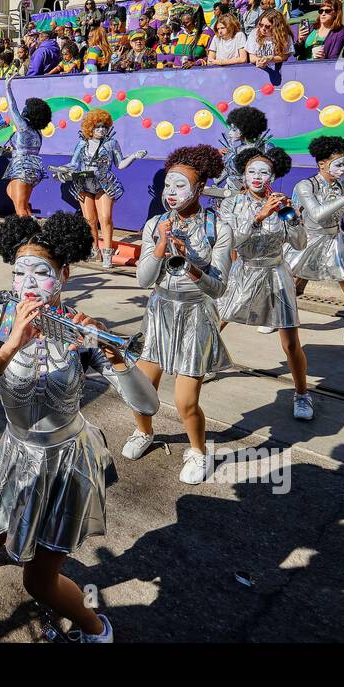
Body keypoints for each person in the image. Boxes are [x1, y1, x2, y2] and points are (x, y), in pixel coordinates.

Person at [0, 213, 158, 643]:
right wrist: (9, 347)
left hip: (69, 461)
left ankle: (96, 628)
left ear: (65, 275)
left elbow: (146, 402)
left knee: (38, 581)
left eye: (42, 273)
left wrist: (112, 354)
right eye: (19, 273)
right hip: (17, 451)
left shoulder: (79, 329)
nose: (29, 283)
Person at [125, 144, 235, 483]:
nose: (171, 194)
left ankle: (199, 452)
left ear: (200, 188)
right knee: (140, 390)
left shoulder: (219, 228)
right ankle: (144, 432)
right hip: (159, 313)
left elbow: (218, 289)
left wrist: (191, 265)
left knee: (185, 401)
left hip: (195, 316)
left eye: (180, 186)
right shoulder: (155, 224)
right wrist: (159, 246)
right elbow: (144, 280)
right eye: (167, 186)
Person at [217, 144, 315, 421]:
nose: (258, 177)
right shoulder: (231, 203)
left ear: (272, 177)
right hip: (243, 271)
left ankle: (302, 394)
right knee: (213, 324)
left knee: (291, 343)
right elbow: (231, 241)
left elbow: (299, 244)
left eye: (264, 172)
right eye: (252, 172)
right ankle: (199, 368)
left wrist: (293, 217)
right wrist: (259, 217)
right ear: (244, 175)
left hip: (276, 275)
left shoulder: (280, 203)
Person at [288, 136, 344, 355]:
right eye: (338, 164)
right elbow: (318, 214)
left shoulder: (343, 187)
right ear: (322, 164)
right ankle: (277, 318)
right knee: (288, 286)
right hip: (307, 241)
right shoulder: (305, 185)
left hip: (335, 241)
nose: (343, 168)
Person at [56, 109, 147, 268]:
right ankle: (94, 250)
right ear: (89, 127)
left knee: (105, 218)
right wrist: (61, 169)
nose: (101, 130)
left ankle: (107, 254)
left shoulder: (111, 143)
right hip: (83, 183)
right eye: (97, 127)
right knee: (90, 220)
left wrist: (133, 156)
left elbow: (120, 164)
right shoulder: (82, 143)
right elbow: (73, 164)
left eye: (104, 126)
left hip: (104, 184)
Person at [0, 79, 51, 218]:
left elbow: (12, 107)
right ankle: (31, 232)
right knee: (21, 203)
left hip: (22, 169)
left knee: (20, 209)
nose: (23, 109)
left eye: (26, 108)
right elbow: (26, 150)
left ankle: (27, 236)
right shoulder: (37, 133)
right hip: (33, 170)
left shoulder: (23, 127)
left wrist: (7, 87)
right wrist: (10, 152)